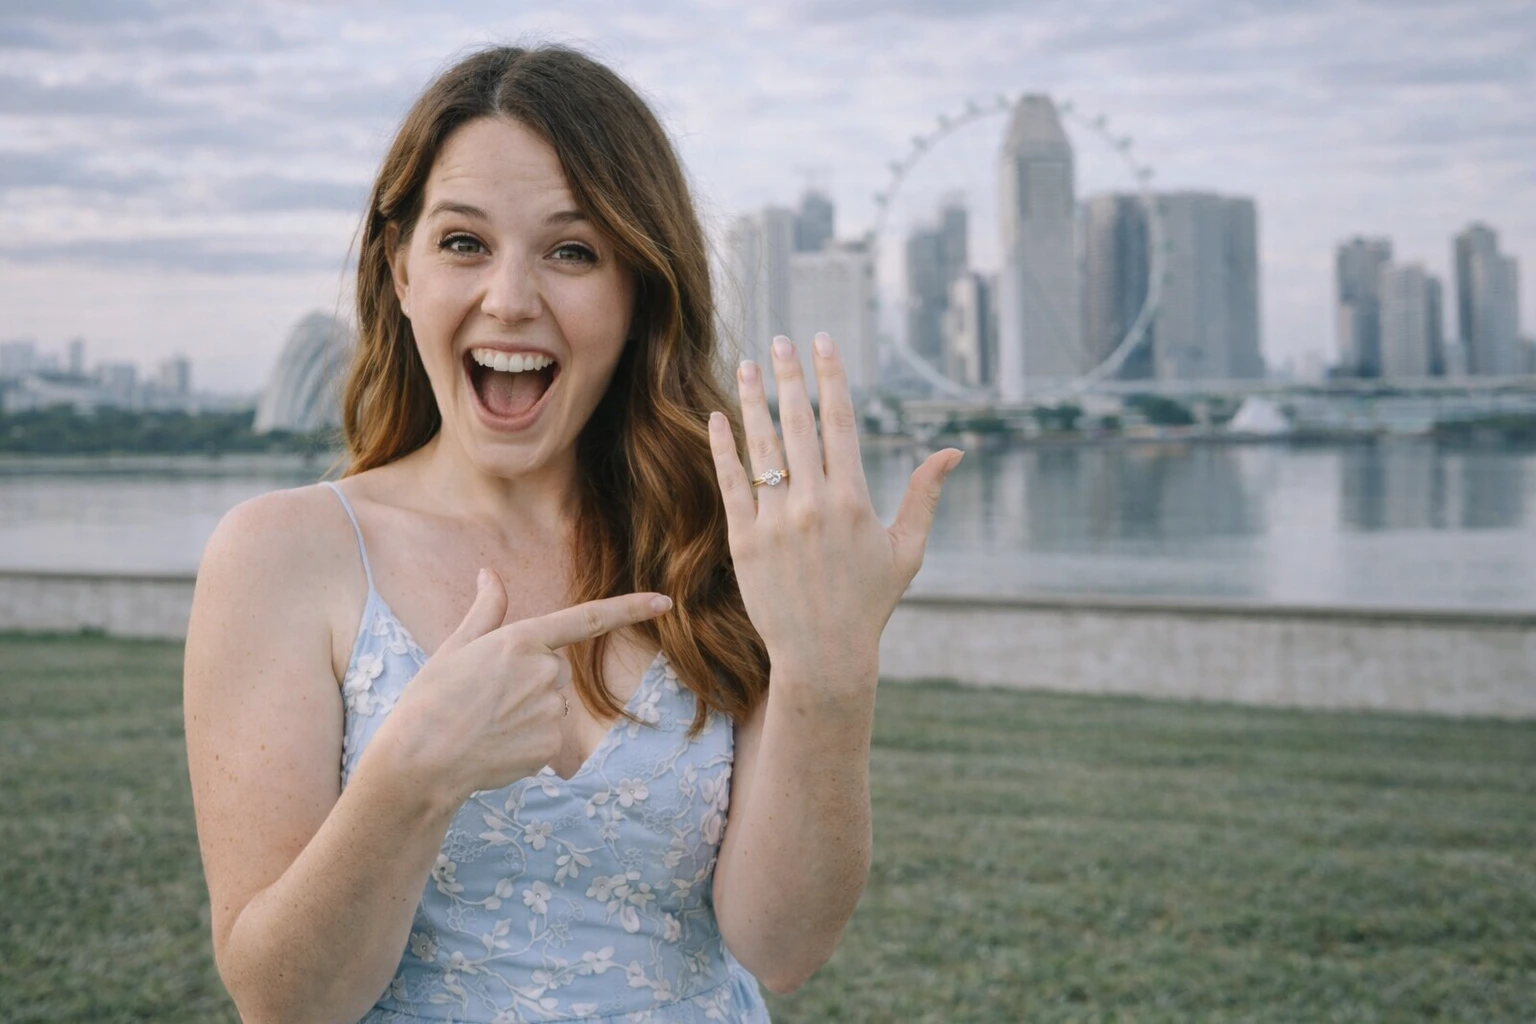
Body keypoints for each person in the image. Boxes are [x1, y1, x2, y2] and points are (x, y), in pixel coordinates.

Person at [183, 44, 961, 1024]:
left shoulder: (726, 544)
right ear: (400, 270)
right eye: (463, 243)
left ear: (639, 290)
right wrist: (414, 770)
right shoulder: (282, 555)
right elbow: (282, 1001)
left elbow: (784, 944)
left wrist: (831, 670)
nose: (511, 298)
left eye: (573, 251)